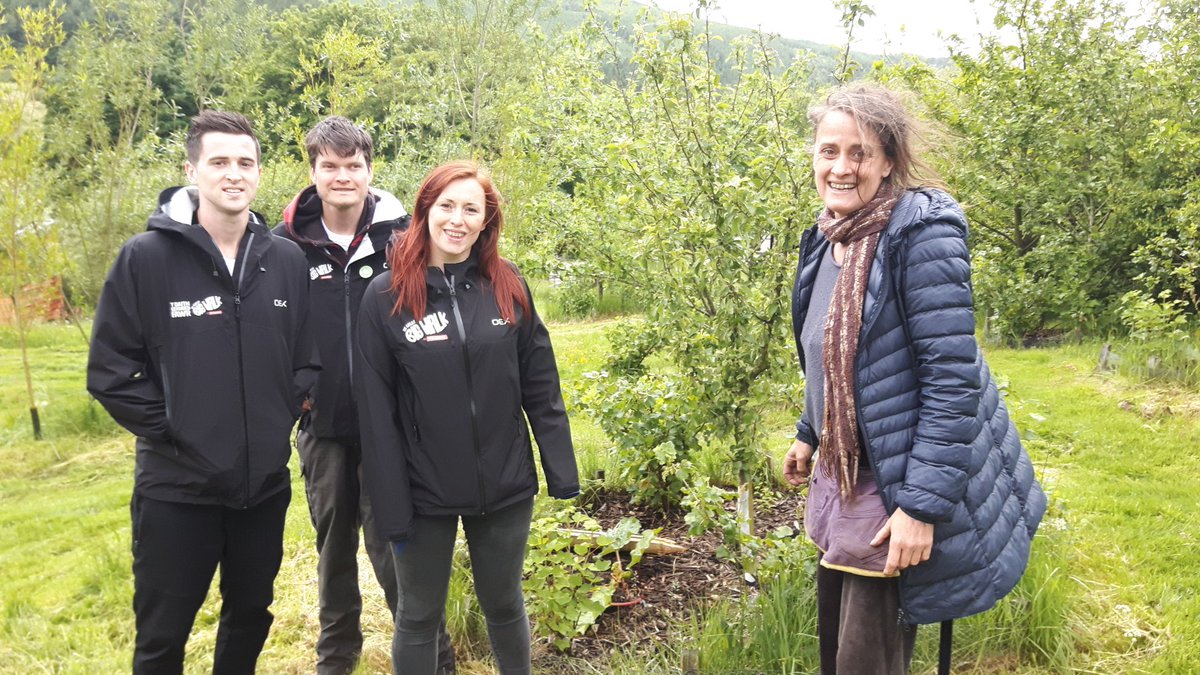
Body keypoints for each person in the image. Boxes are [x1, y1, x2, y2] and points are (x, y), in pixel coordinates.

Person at [782, 84, 1046, 674]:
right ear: (813, 156)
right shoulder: (828, 239)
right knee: (840, 638)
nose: (842, 168)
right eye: (829, 151)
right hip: (848, 471)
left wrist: (921, 508)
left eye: (860, 153)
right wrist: (810, 430)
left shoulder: (919, 237)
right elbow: (831, 357)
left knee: (865, 656)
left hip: (896, 480)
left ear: (888, 162)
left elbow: (951, 382)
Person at [87, 110, 318, 673]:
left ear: (260, 173)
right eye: (219, 162)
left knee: (251, 614)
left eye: (245, 162)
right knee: (164, 632)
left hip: (261, 487)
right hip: (176, 491)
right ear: (192, 169)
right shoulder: (146, 258)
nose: (233, 174)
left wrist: (277, 417)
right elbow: (110, 371)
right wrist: (176, 427)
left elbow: (307, 359)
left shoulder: (285, 259)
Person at [354, 160, 579, 674]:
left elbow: (540, 381)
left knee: (504, 604)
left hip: (503, 483)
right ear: (425, 211)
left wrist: (560, 471)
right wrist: (391, 504)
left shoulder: (508, 284)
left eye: (471, 209)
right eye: (447, 206)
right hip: (422, 489)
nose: (457, 219)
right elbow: (375, 410)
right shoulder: (385, 296)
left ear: (486, 221)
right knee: (418, 615)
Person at [273, 116, 455, 674]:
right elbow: (268, 332)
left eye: (353, 165)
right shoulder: (283, 248)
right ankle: (336, 659)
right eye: (330, 166)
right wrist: (295, 396)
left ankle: (433, 658)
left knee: (395, 548)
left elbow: (436, 320)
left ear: (370, 170)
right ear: (313, 171)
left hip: (391, 432)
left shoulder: (403, 240)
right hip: (323, 427)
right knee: (332, 554)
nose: (343, 176)